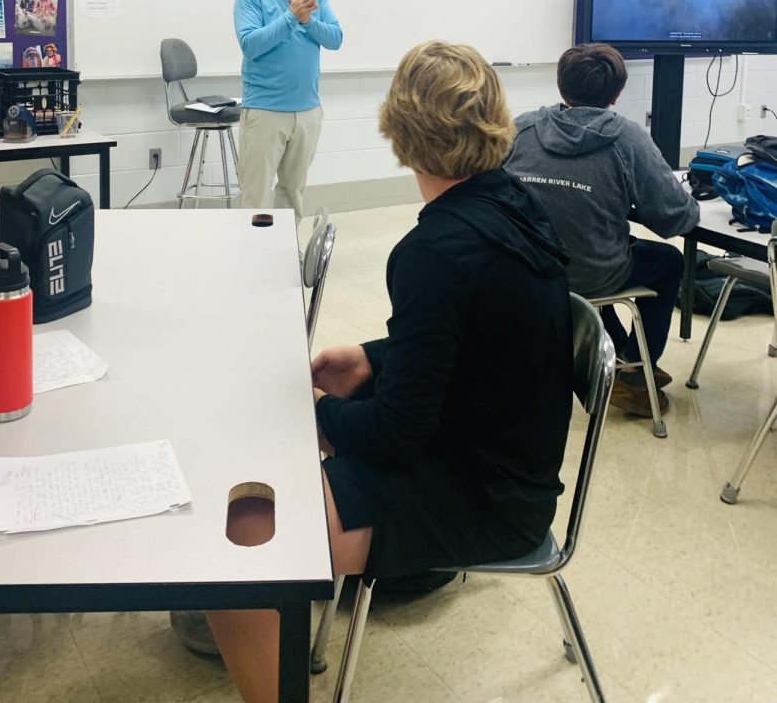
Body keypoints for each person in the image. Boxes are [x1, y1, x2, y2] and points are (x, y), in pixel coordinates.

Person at [205, 41, 574, 703]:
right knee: (282, 482)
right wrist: (376, 358)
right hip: (512, 468)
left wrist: (310, 414)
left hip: (485, 497)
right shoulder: (513, 203)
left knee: (237, 560)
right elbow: (480, 332)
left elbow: (398, 433)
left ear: (399, 135)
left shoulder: (432, 250)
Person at [504, 42, 700, 418]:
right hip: (593, 274)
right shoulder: (628, 138)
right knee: (666, 260)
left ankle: (618, 359)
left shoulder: (520, 129)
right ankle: (634, 373)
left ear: (561, 84)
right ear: (617, 93)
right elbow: (676, 219)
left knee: (601, 247)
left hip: (526, 270)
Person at [233, 0, 342, 222]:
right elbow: (251, 44)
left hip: (307, 109)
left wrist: (308, 21)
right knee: (256, 197)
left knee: (293, 194)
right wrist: (292, 17)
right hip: (265, 110)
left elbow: (335, 38)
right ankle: (251, 262)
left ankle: (284, 258)